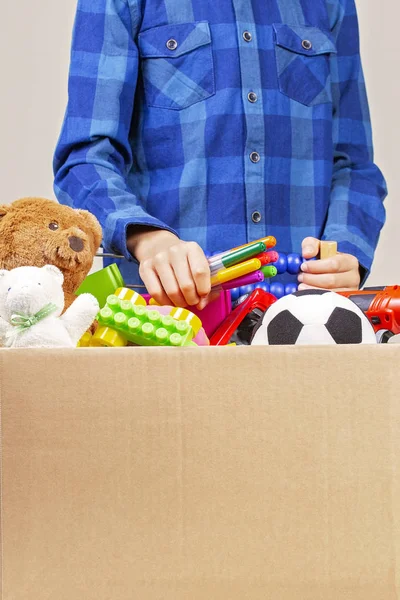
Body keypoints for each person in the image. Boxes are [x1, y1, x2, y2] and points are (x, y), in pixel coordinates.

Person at [53, 0, 387, 310]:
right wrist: (148, 238)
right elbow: (84, 159)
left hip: (301, 330)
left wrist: (346, 252)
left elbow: (353, 164)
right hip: (163, 328)